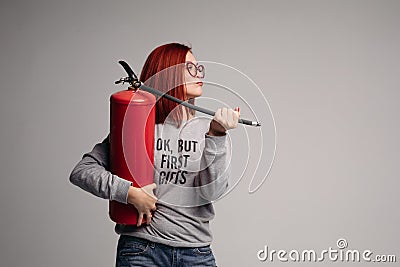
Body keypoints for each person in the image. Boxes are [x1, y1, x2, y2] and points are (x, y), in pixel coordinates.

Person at [69, 42, 240, 267]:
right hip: (141, 250)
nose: (198, 73)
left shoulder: (209, 130)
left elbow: (211, 193)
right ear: (167, 72)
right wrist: (129, 193)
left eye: (199, 68)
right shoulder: (137, 127)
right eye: (190, 67)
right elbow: (81, 172)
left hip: (195, 253)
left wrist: (217, 136)